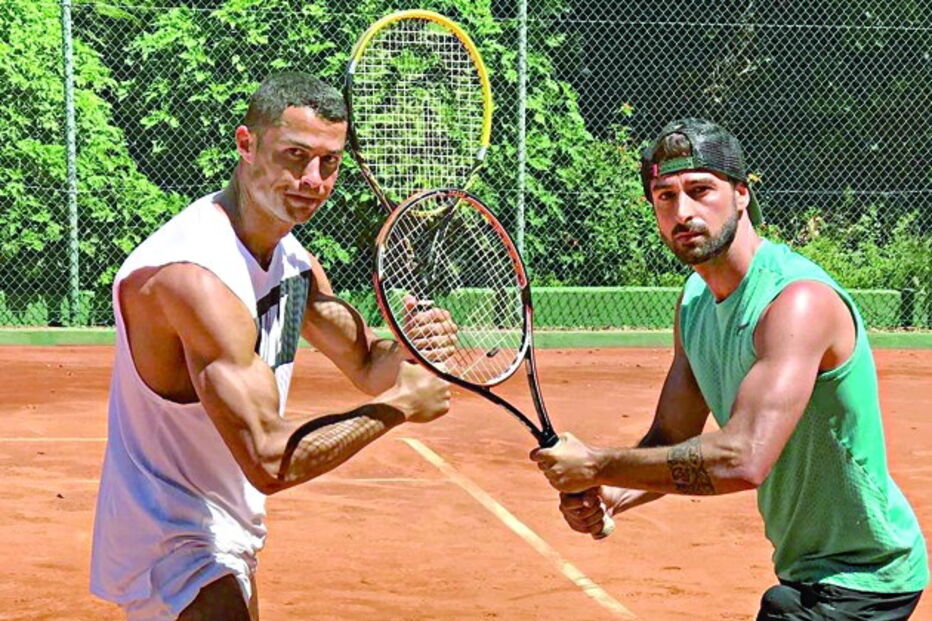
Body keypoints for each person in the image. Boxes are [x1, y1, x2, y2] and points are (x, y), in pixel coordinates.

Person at [90, 72, 455, 621]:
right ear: (247, 145)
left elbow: (364, 361)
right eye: (295, 156)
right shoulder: (194, 278)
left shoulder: (290, 263)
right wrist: (397, 407)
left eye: (329, 163)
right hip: (169, 538)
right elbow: (269, 459)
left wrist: (408, 350)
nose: (313, 180)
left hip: (225, 527)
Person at [531, 118, 928, 620]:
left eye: (701, 191)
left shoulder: (796, 302)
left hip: (865, 575)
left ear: (741, 195)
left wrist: (597, 464)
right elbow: (671, 435)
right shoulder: (695, 302)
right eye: (664, 196)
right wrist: (610, 495)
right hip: (808, 568)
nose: (684, 212)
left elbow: (742, 458)